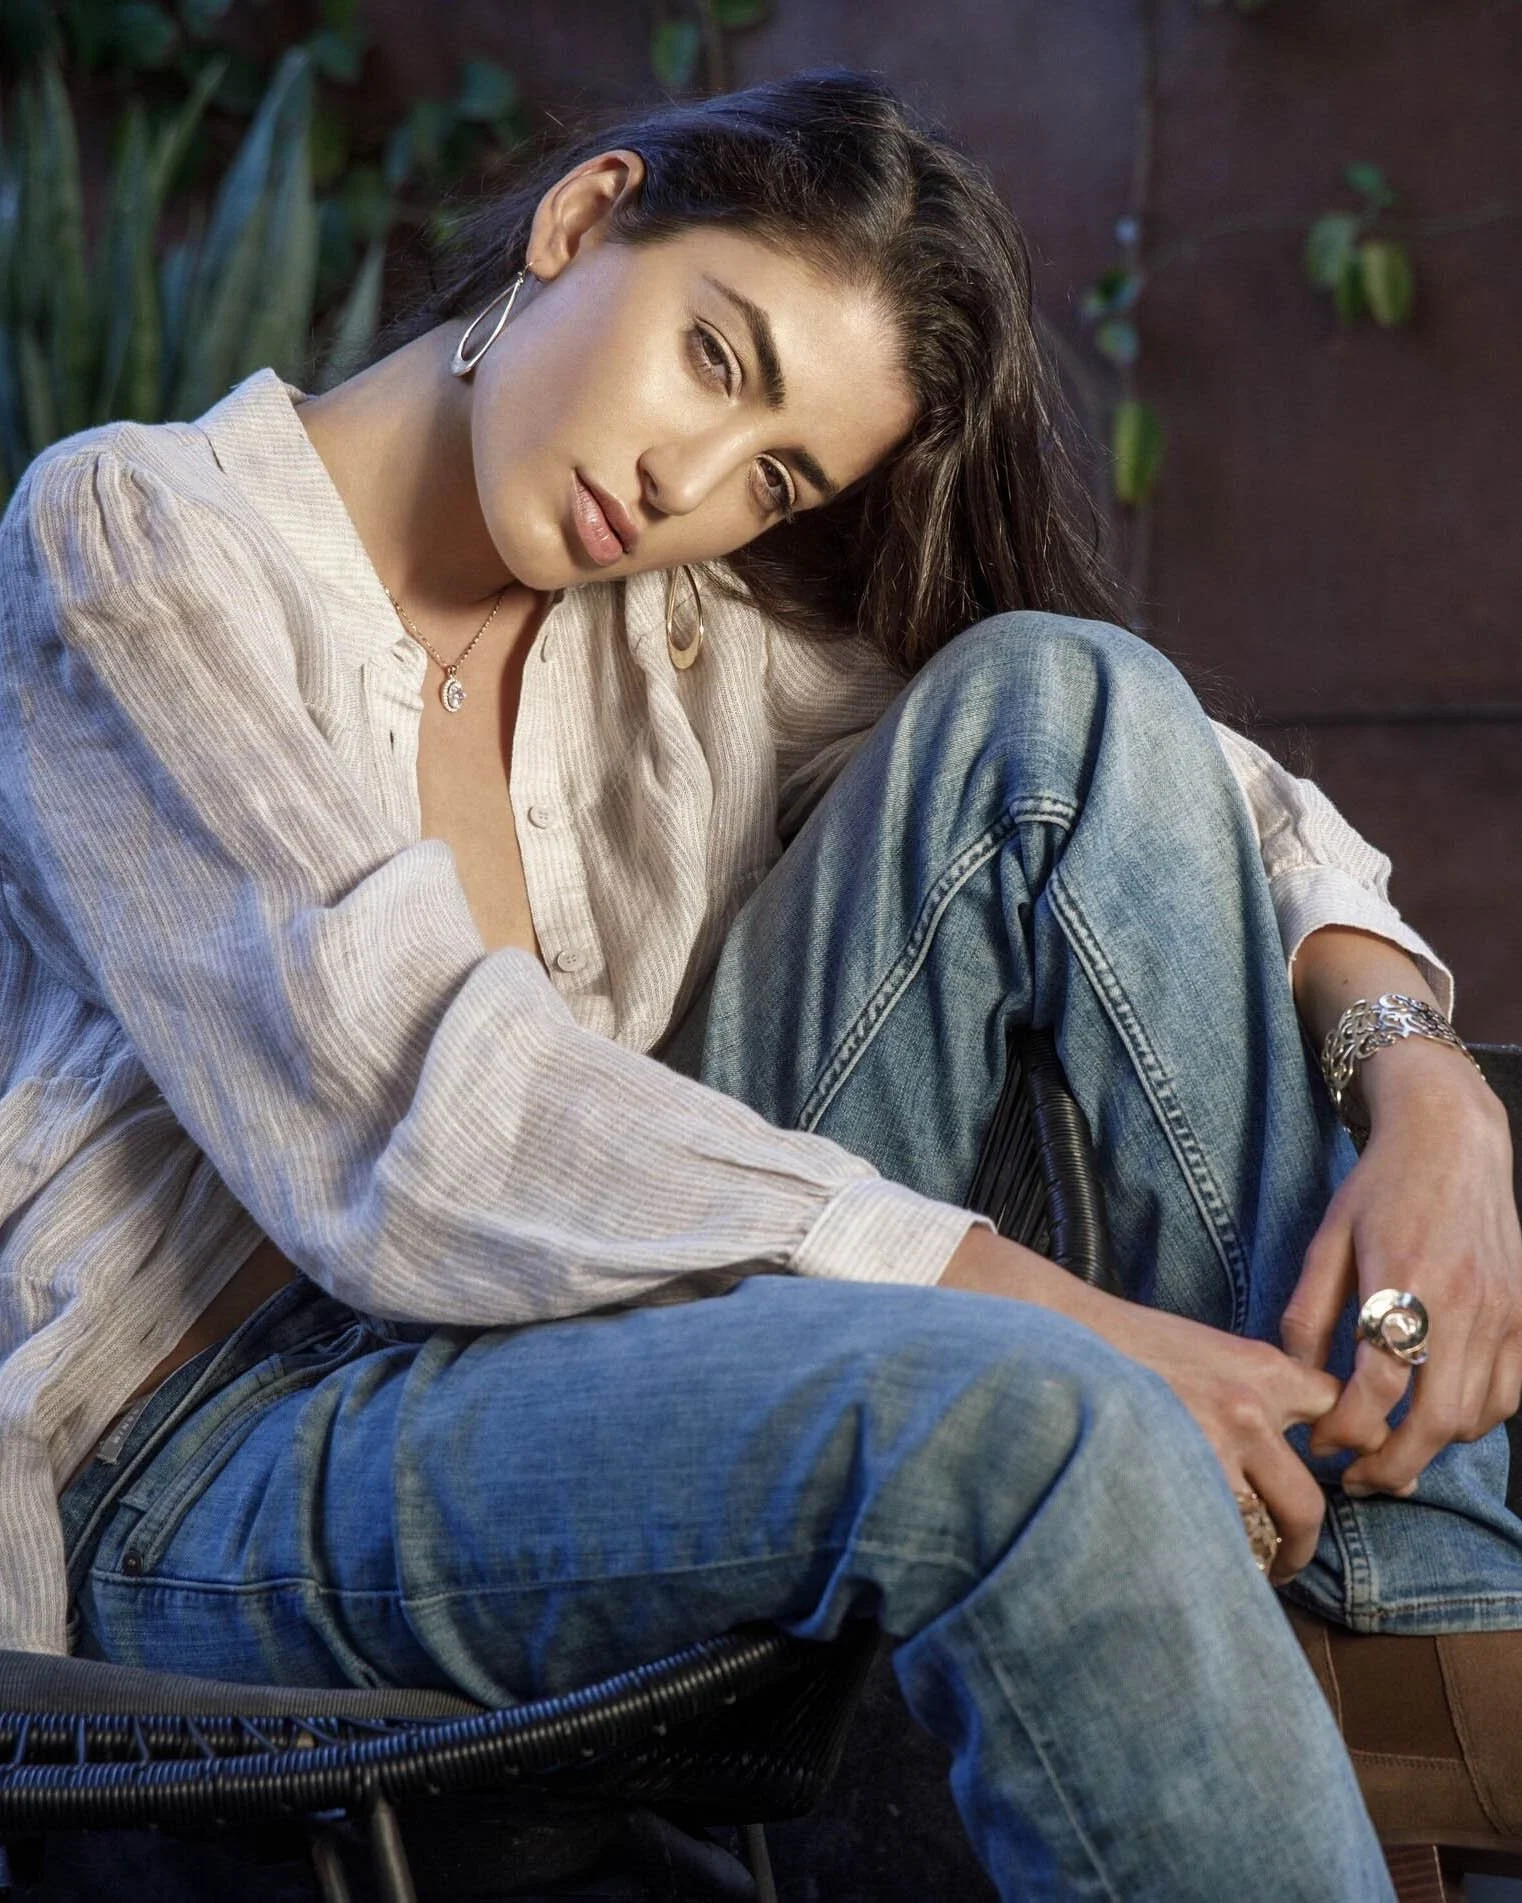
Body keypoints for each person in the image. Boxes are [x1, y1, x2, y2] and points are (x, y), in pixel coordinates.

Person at [0, 67, 1518, 1900]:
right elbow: (419, 1114)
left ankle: (1404, 1618)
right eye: (714, 357)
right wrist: (1062, 1315)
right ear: (581, 220)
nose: (691, 486)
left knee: (1059, 694)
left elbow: (1174, 775)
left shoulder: (673, 636)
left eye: (777, 474)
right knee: (1035, 1411)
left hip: (578, 1358)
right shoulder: (132, 541)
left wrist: (1425, 1083)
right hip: (210, 1455)